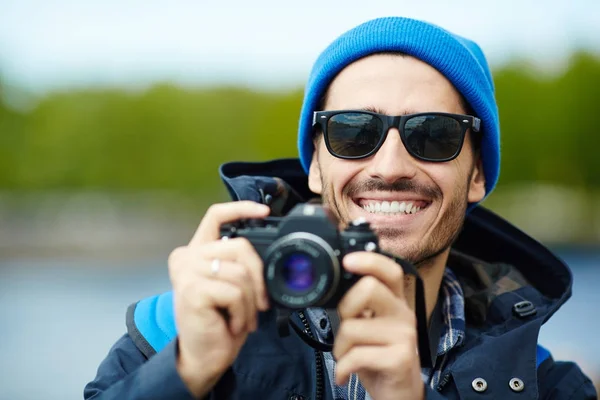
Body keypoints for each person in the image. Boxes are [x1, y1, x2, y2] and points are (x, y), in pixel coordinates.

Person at [84, 16, 597, 400]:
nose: (391, 165)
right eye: (353, 132)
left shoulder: (542, 383)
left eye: (434, 134)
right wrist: (185, 371)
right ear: (314, 165)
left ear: (478, 174)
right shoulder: (178, 327)